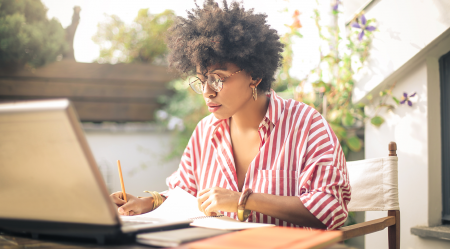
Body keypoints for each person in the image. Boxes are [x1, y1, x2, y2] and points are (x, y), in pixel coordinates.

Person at [111, 0, 350, 230]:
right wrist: (148, 203)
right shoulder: (206, 131)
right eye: (202, 80)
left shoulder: (306, 125)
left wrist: (242, 200)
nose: (207, 92)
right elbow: (185, 193)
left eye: (217, 79)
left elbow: (331, 208)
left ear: (255, 76)